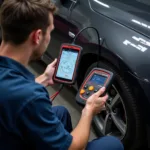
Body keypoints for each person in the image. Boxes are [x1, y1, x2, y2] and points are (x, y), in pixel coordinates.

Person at [0, 0, 124, 150]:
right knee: (112, 144)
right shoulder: (31, 97)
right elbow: (72, 147)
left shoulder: (18, 87)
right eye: (50, 32)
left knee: (61, 113)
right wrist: (89, 110)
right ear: (37, 36)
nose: (49, 37)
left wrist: (44, 79)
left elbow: (10, 90)